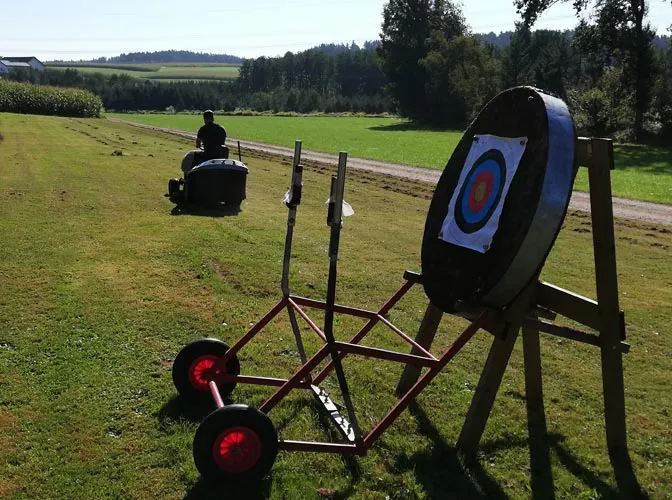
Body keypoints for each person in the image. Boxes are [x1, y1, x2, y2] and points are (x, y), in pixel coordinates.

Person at [180, 110, 228, 177]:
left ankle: (188, 176)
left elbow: (198, 144)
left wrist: (199, 145)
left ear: (205, 119)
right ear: (213, 118)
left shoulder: (203, 129)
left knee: (190, 156)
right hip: (221, 154)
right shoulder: (222, 129)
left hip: (208, 154)